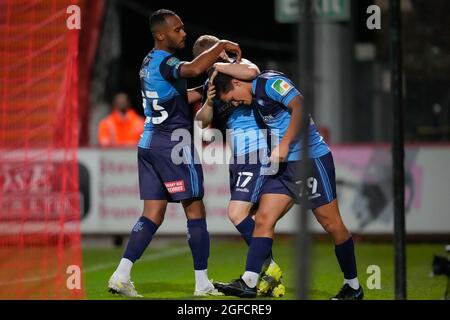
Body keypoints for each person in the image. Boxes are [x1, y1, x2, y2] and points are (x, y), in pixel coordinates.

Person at [107, 9, 241, 297]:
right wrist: (220, 46)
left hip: (149, 143)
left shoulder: (149, 62)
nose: (183, 33)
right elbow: (191, 69)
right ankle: (202, 284)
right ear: (160, 34)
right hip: (173, 144)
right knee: (195, 209)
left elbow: (177, 98)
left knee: (152, 214)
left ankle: (121, 275)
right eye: (178, 29)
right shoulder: (168, 61)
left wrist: (206, 89)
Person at [211, 69, 363, 300]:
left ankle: (353, 286)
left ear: (236, 82)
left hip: (310, 160)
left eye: (232, 97)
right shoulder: (255, 97)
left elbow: (300, 107)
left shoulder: (270, 83)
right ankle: (249, 282)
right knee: (263, 219)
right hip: (284, 168)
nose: (235, 102)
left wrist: (284, 145)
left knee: (332, 225)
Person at [193, 35, 285, 297]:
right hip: (238, 156)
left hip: (257, 151)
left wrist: (221, 65)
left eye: (210, 59)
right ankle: (267, 279)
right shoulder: (212, 83)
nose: (208, 64)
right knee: (255, 219)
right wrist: (209, 101)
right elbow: (201, 123)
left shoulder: (238, 69)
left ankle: (267, 270)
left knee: (236, 213)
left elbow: (253, 71)